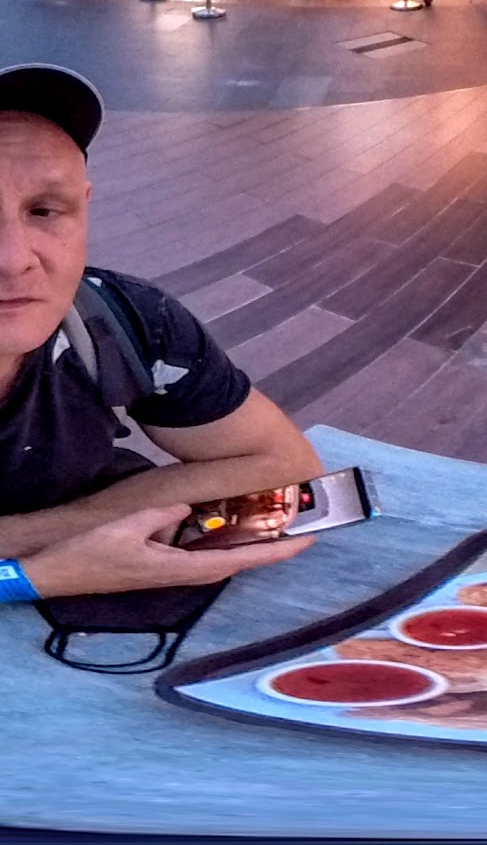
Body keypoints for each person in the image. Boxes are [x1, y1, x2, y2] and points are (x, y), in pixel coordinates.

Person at [0, 63, 325, 606]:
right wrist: (51, 573)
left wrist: (74, 527)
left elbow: (287, 467)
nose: (13, 261)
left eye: (45, 210)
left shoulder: (121, 318)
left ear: (84, 208)